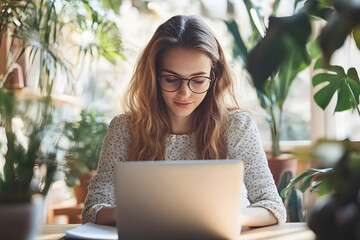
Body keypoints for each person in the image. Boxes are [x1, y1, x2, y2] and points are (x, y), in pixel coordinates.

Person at [82, 15, 286, 227]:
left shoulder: (237, 126)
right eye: (171, 79)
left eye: (198, 81)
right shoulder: (124, 129)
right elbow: (92, 210)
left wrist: (230, 217)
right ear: (153, 76)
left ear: (214, 76)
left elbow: (273, 207)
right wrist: (140, 214)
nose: (184, 93)